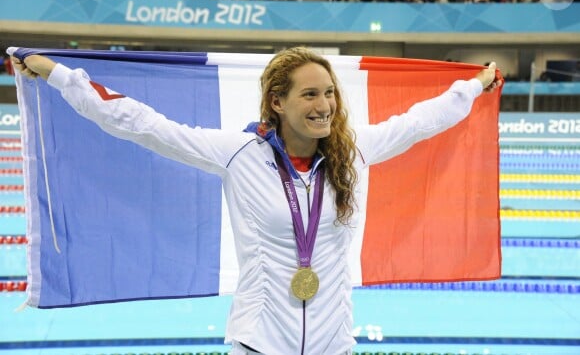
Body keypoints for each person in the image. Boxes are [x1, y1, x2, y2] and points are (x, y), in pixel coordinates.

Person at [11, 48, 501, 355]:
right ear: (277, 103)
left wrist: (476, 85)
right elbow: (142, 124)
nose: (325, 105)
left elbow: (421, 120)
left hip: (335, 344)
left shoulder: (353, 154)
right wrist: (58, 74)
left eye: (329, 92)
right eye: (310, 94)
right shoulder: (238, 155)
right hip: (258, 343)